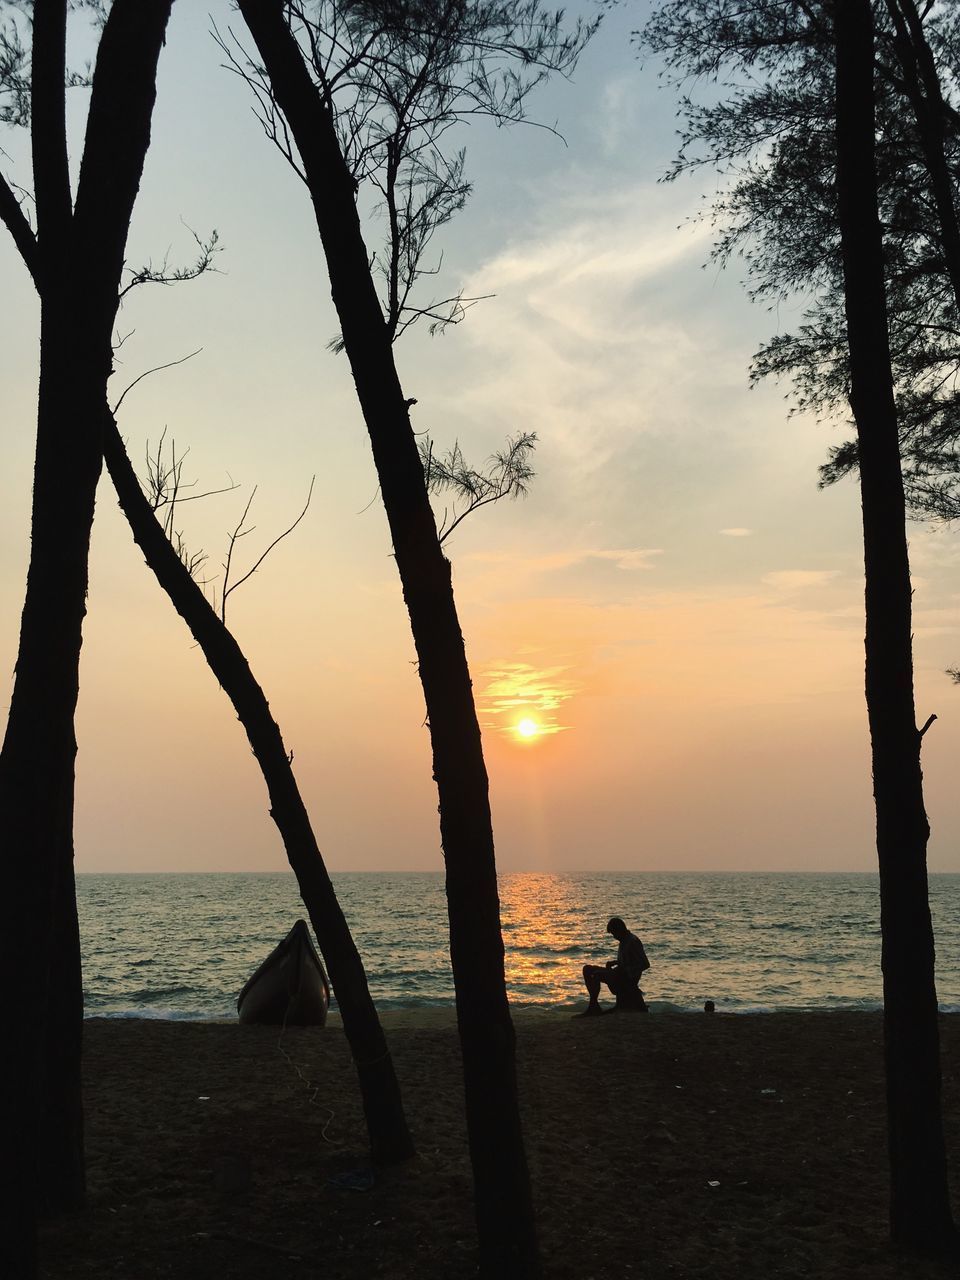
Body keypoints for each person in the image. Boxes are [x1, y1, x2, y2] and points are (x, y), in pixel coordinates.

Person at [580, 917, 650, 1015]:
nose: (614, 937)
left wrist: (626, 970)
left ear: (620, 930)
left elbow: (645, 964)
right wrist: (616, 962)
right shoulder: (624, 941)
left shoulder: (632, 941)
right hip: (619, 973)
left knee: (597, 975)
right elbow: (629, 960)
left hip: (625, 979)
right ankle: (594, 1005)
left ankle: (593, 1008)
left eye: (614, 933)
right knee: (587, 969)